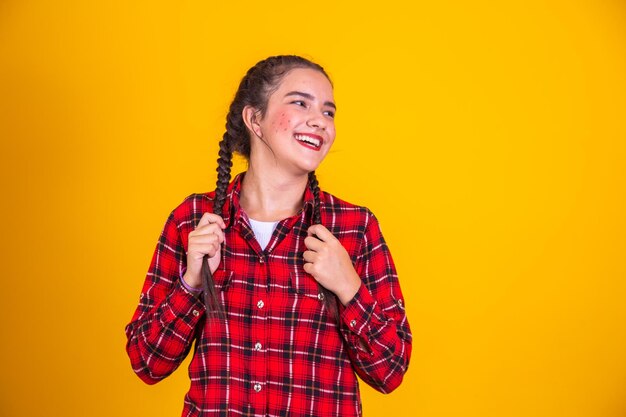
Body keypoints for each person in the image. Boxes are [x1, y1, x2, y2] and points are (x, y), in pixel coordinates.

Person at [125, 55, 412, 417]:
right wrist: (192, 283)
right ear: (254, 119)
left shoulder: (354, 227)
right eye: (300, 103)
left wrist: (348, 286)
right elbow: (147, 362)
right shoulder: (193, 221)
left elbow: (390, 370)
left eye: (328, 112)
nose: (318, 121)